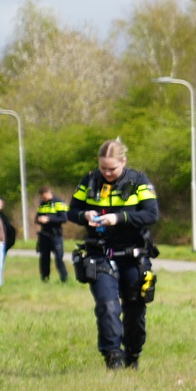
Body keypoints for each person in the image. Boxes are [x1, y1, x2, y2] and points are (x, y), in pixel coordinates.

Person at [68, 139, 159, 369]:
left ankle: (132, 355)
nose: (107, 173)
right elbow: (72, 212)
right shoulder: (89, 180)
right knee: (107, 306)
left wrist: (118, 218)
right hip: (98, 254)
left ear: (123, 162)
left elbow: (151, 214)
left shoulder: (139, 181)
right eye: (103, 168)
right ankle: (112, 357)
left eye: (112, 168)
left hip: (132, 255)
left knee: (135, 309)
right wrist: (85, 215)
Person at [34, 186, 69, 283]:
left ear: (49, 193)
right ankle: (45, 278)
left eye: (44, 197)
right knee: (44, 258)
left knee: (58, 257)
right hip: (44, 235)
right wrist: (39, 220)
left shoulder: (59, 202)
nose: (43, 199)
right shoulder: (42, 204)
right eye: (42, 197)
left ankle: (64, 278)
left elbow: (64, 218)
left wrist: (49, 219)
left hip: (55, 235)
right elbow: (36, 218)